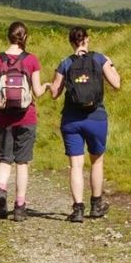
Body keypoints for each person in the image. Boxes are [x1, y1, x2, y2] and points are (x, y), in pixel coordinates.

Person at [49, 27, 121, 223]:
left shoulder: (65, 63)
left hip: (72, 120)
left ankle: (78, 209)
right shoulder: (99, 59)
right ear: (87, 39)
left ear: (71, 42)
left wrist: (50, 85)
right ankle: (96, 204)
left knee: (76, 166)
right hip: (96, 118)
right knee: (96, 161)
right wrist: (111, 65)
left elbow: (54, 93)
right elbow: (116, 83)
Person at [0, 21, 49, 222]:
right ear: (25, 37)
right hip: (26, 117)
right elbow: (37, 92)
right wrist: (47, 86)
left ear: (8, 36)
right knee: (22, 162)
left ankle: (1, 190)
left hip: (4, 117)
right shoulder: (31, 60)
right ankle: (20, 207)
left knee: (5, 159)